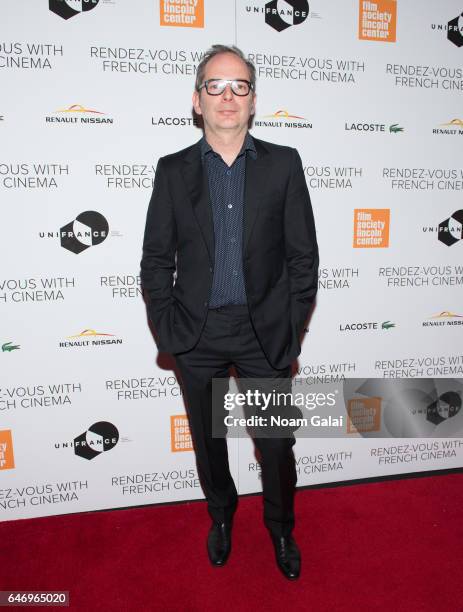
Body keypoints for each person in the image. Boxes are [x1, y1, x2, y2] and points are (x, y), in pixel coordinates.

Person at [141, 44, 319, 580]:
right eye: (215, 86)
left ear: (253, 100)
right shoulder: (172, 171)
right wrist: (170, 329)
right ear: (196, 101)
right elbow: (155, 259)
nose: (227, 97)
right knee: (210, 443)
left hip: (263, 334)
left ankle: (281, 528)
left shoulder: (284, 164)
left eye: (238, 86)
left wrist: (288, 332)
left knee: (276, 444)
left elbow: (303, 258)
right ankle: (222, 518)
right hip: (196, 336)